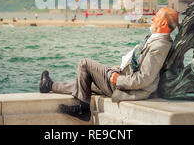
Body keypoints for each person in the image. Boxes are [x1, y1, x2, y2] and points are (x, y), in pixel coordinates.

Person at [38, 7, 178, 121]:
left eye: (156, 16)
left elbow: (144, 79)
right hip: (123, 77)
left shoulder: (159, 46)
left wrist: (118, 79)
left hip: (127, 88)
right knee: (86, 85)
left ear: (164, 23)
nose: (152, 18)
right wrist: (118, 69)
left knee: (85, 64)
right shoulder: (156, 40)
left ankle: (83, 109)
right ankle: (49, 85)